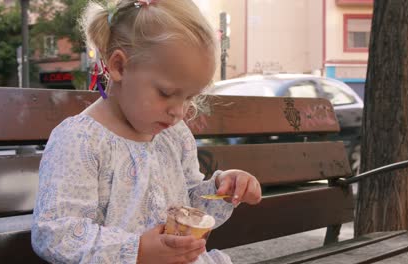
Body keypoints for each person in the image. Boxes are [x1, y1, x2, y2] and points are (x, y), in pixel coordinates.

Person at [31, 0, 262, 263]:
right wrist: (136, 250)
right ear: (119, 67)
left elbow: (186, 206)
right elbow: (55, 234)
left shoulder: (173, 135)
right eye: (166, 93)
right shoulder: (80, 141)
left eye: (189, 98)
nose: (179, 111)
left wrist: (220, 190)